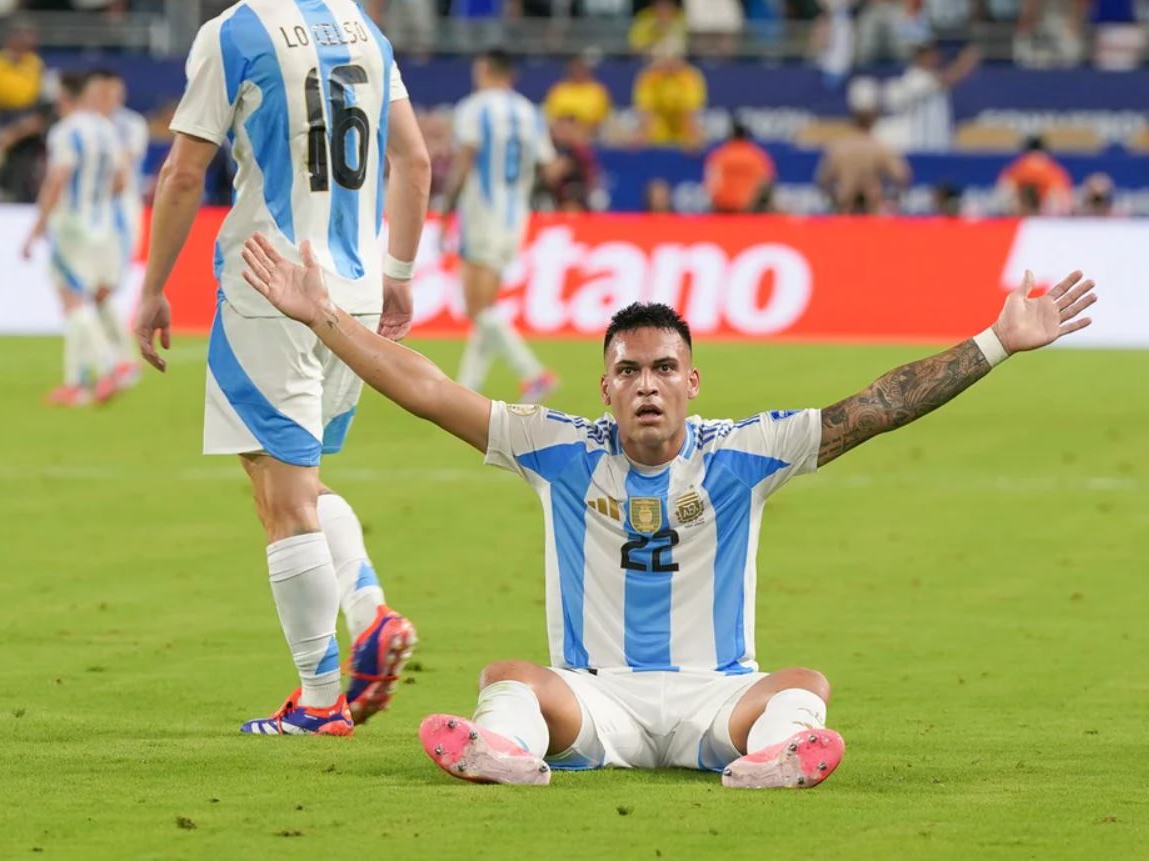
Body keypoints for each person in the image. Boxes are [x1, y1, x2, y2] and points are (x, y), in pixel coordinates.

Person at [240, 229, 1096, 788]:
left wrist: (995, 342)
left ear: (692, 381)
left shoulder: (746, 451)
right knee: (509, 677)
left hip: (716, 698)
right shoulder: (557, 447)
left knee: (803, 683)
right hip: (593, 700)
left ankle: (774, 757)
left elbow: (876, 406)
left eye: (661, 369)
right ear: (604, 386)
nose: (645, 384)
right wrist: (321, 316)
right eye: (628, 371)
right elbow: (428, 389)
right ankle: (504, 752)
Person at [132, 0, 430, 736]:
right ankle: (368, 613)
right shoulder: (364, 29)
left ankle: (321, 698)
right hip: (354, 295)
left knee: (282, 498)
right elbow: (415, 161)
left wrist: (152, 287)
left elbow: (182, 174)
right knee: (292, 480)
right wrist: (398, 272)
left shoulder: (233, 32)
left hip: (271, 287)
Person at [442, 49, 559, 402]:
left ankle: (534, 374)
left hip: (481, 212)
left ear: (485, 70)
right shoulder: (530, 112)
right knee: (486, 307)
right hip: (515, 217)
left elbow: (464, 160)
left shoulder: (474, 108)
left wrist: (446, 208)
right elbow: (548, 167)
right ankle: (467, 389)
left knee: (476, 307)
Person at [21, 71, 126, 406]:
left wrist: (38, 227)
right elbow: (121, 181)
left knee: (72, 301)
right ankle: (76, 383)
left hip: (70, 224)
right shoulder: (106, 128)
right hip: (102, 224)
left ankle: (108, 368)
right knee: (83, 298)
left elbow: (58, 178)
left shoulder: (65, 131)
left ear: (63, 97)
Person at [87, 67, 147, 387]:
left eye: (112, 92)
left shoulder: (130, 125)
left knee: (103, 288)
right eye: (100, 92)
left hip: (120, 214)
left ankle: (119, 361)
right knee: (91, 290)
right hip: (92, 214)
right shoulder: (86, 125)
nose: (107, 99)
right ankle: (116, 361)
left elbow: (122, 171)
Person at [816, 78, 911, 214]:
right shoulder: (879, 147)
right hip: (870, 215)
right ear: (874, 116)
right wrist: (889, 200)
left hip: (845, 213)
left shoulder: (839, 148)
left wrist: (835, 201)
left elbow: (823, 181)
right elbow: (902, 177)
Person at [881, 42, 980, 153]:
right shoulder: (915, 77)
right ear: (920, 57)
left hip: (937, 142)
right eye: (930, 55)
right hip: (922, 145)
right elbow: (948, 79)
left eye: (935, 54)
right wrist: (965, 62)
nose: (935, 58)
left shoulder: (929, 76)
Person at [632, 37, 707, 151]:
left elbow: (689, 114)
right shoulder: (648, 77)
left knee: (698, 140)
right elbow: (646, 113)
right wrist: (643, 139)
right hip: (657, 131)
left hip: (683, 131)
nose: (668, 63)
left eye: (673, 58)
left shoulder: (690, 77)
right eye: (663, 59)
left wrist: (691, 139)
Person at [704, 120, 775, 214]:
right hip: (748, 209)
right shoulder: (757, 156)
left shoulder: (720, 155)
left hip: (722, 209)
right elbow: (765, 183)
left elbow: (711, 183)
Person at [997, 135, 1073, 216]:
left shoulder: (1017, 169)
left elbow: (1003, 193)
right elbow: (1064, 200)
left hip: (1038, 211)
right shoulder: (1056, 171)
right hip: (1047, 214)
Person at [543, 54, 612, 138]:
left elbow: (602, 118)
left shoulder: (597, 90)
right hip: (562, 129)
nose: (578, 72)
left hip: (588, 130)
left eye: (580, 69)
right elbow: (550, 116)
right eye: (575, 69)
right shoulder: (559, 89)